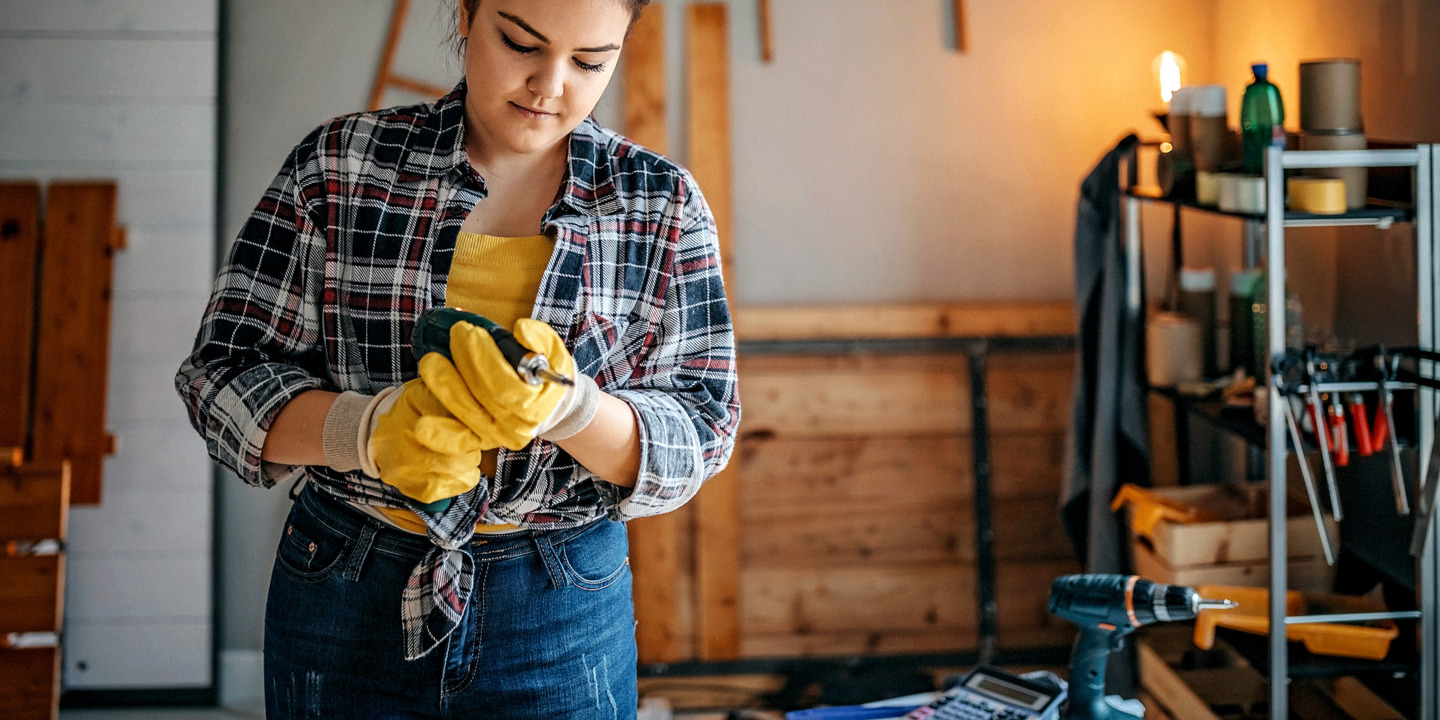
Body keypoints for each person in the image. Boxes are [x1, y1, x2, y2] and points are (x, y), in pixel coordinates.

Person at [175, 0, 739, 716]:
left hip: (560, 600)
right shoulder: (341, 165)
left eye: (591, 61)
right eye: (520, 43)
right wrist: (367, 430)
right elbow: (221, 373)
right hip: (345, 585)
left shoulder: (660, 204)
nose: (551, 85)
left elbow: (704, 426)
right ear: (466, 16)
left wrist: (575, 410)